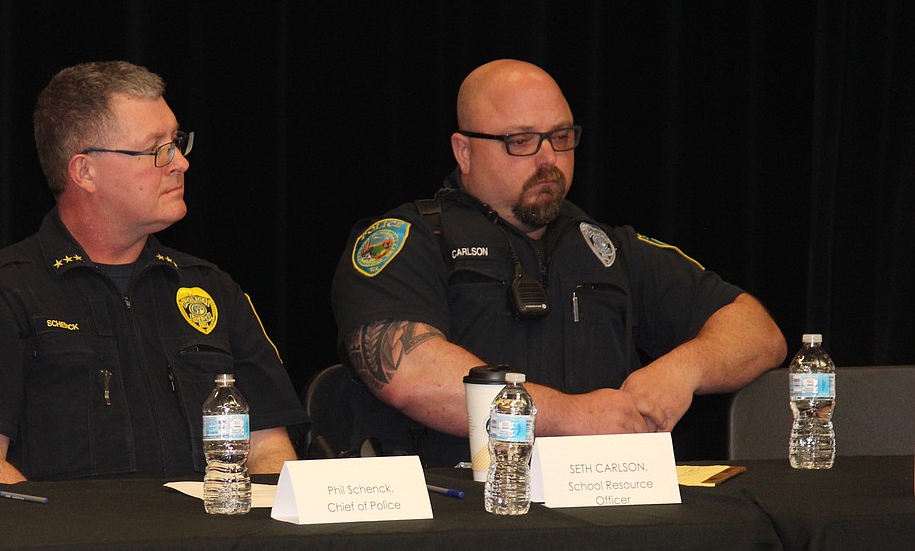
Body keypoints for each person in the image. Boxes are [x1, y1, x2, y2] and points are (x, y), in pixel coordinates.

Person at [332, 59, 787, 466]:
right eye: (522, 141)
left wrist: (684, 369)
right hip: (462, 510)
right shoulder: (411, 239)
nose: (549, 159)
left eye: (561, 137)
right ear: (464, 151)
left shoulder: (608, 247)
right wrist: (572, 416)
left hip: (606, 502)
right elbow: (411, 375)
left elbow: (758, 332)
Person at [0, 60, 307, 485]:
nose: (180, 163)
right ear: (84, 171)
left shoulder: (211, 288)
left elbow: (268, 446)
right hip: (70, 545)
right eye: (157, 149)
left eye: (177, 143)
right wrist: (59, 543)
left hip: (210, 544)